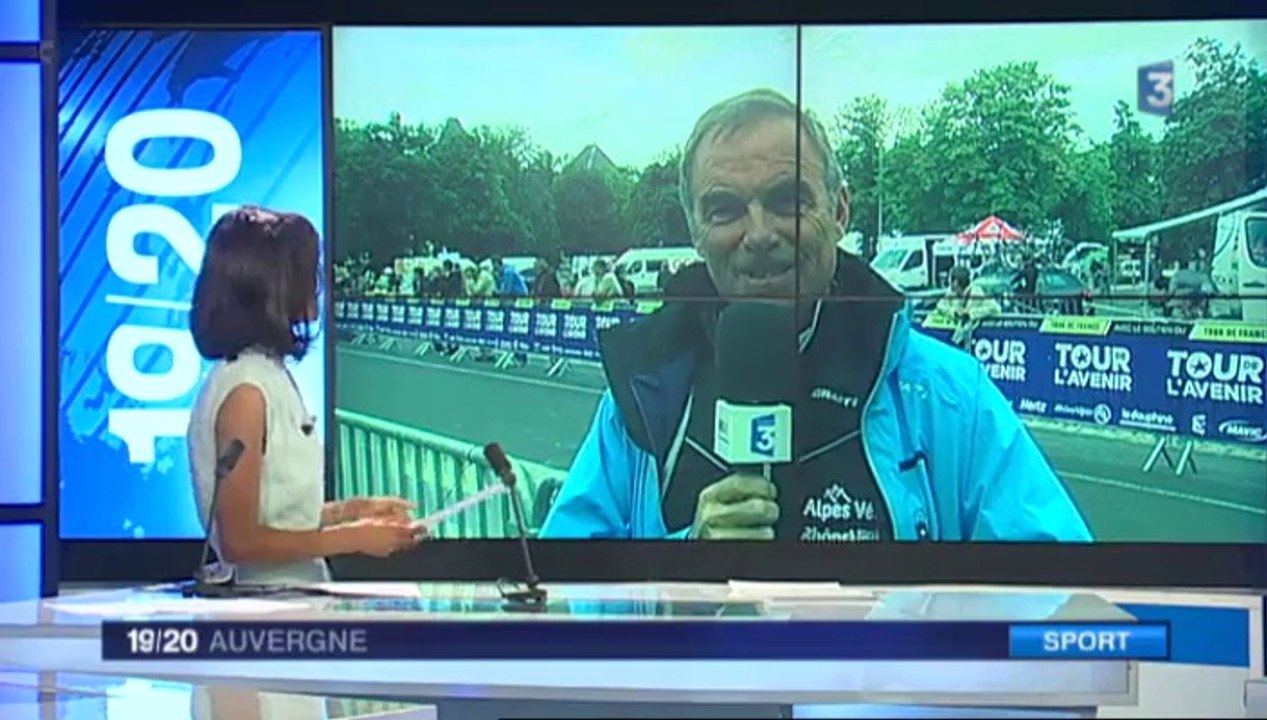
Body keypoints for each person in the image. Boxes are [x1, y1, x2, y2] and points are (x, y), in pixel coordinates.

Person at [540, 89, 1090, 543]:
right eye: (725, 209)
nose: (758, 235)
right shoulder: (643, 389)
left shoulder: (948, 396)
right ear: (694, 231)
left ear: (841, 210)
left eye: (787, 201)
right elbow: (561, 601)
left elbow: (1059, 602)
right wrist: (681, 573)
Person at [187, 207, 421, 584]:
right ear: (269, 285)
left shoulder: (267, 375)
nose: (317, 283)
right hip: (266, 613)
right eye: (306, 271)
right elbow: (240, 541)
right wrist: (353, 538)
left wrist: (351, 511)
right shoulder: (246, 392)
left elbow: (279, 517)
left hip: (294, 601)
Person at [934, 265, 1000, 349]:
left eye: (952, 281)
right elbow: (940, 305)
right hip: (954, 334)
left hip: (972, 336)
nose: (950, 284)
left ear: (956, 282)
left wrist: (970, 313)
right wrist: (954, 312)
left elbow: (995, 308)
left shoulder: (976, 292)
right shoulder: (951, 291)